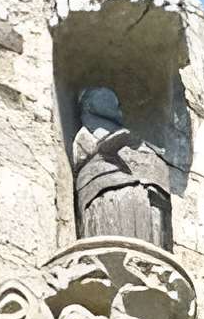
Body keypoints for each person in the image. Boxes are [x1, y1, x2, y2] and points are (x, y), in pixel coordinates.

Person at [72, 87, 171, 247]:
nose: (117, 105)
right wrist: (108, 146)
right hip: (107, 181)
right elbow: (83, 154)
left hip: (139, 182)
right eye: (106, 98)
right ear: (89, 104)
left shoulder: (124, 131)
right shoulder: (86, 132)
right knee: (122, 200)